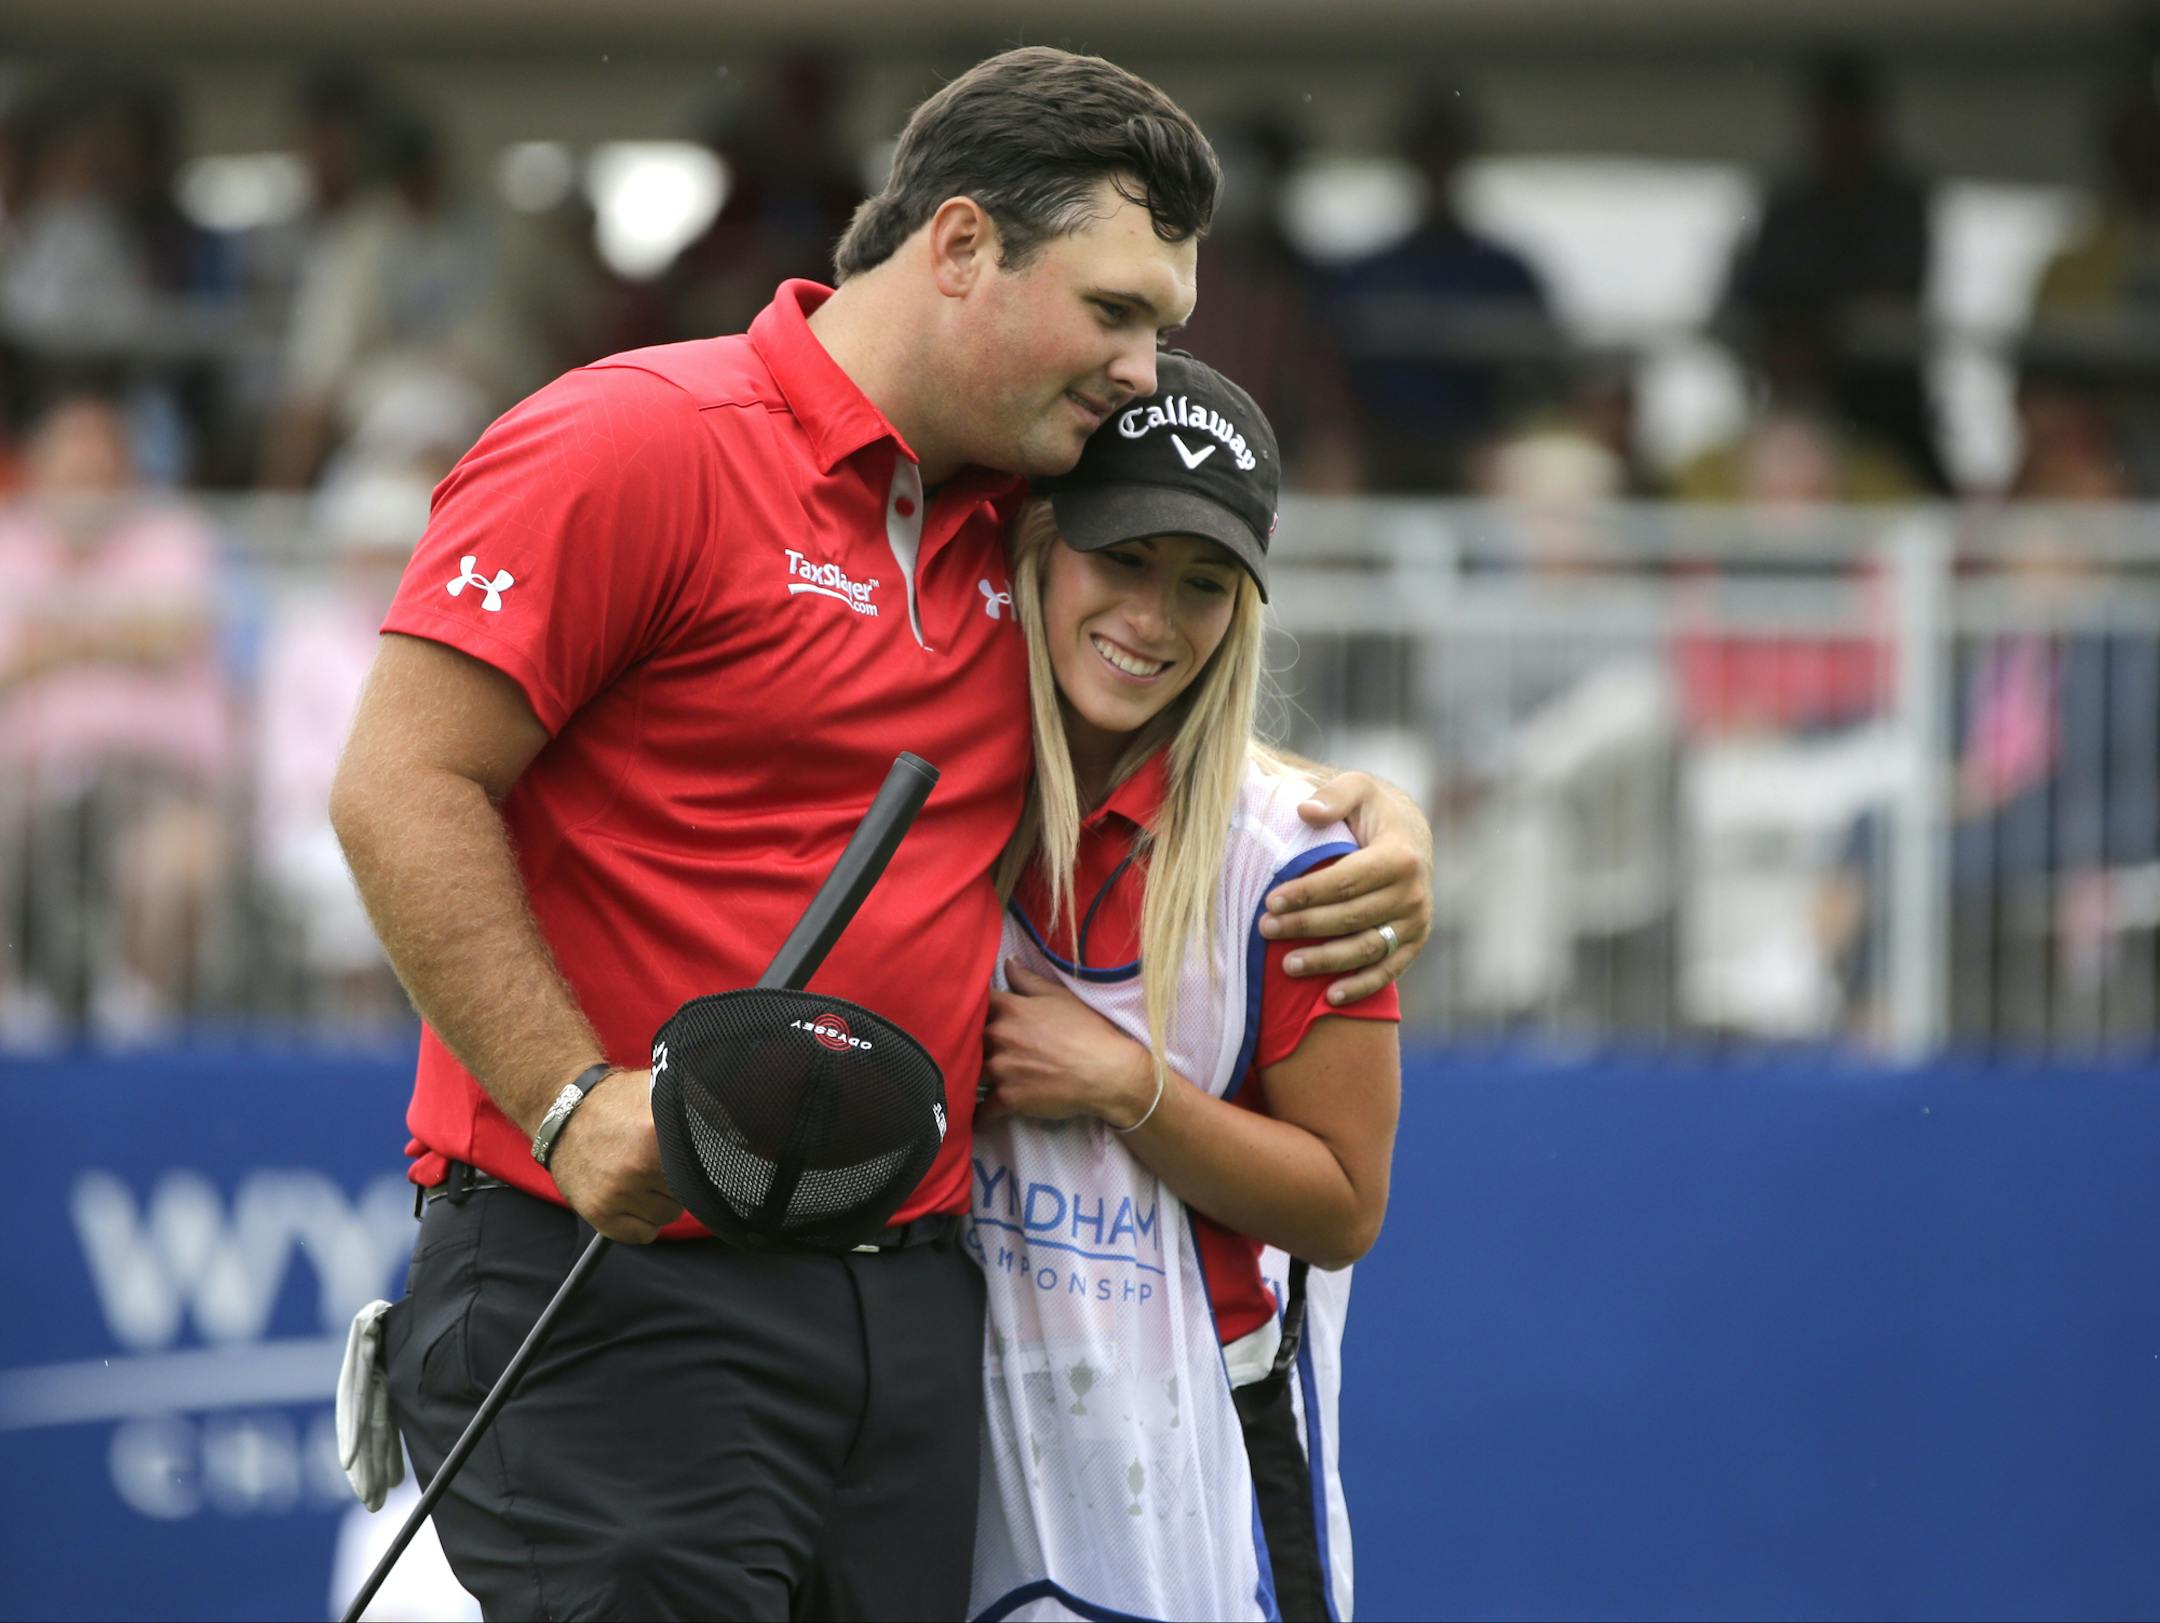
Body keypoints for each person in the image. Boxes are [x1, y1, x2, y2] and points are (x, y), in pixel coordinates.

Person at [329, 47, 1434, 1621]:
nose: (1142, 369)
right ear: (964, 245)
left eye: (1165, 331)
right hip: (623, 1280)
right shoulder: (637, 436)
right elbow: (399, 783)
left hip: (913, 1320)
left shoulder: (1019, 505)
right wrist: (571, 1101)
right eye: (1115, 313)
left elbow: (1149, 678)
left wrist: (1370, 807)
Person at [966, 352, 1401, 1622]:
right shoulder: (935, 792)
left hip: (1209, 1487)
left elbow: (1343, 1207)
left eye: (1205, 583)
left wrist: (1127, 1087)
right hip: (957, 1456)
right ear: (1044, 545)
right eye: (1124, 559)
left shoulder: (1297, 861)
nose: (1155, 619)